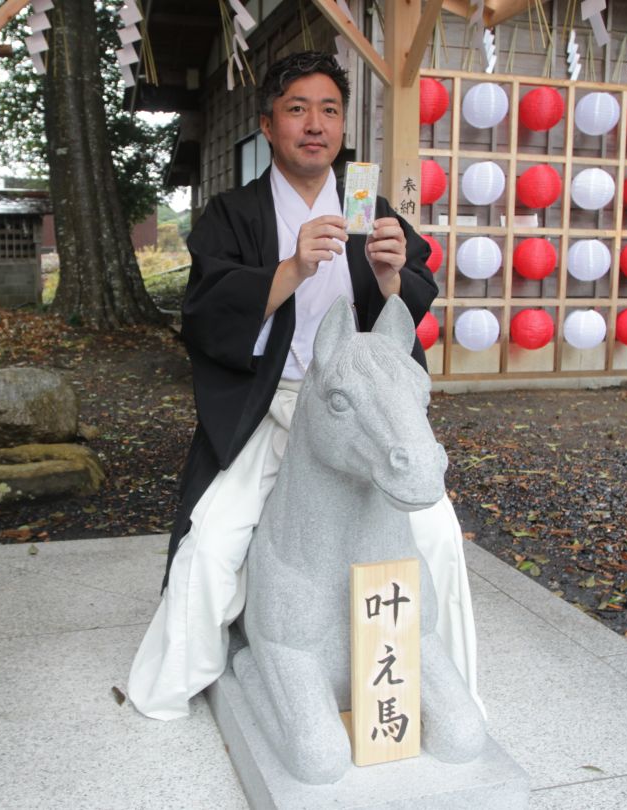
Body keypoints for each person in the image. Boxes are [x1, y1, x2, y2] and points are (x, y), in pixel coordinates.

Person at [128, 51, 482, 721]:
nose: (314, 125)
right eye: (297, 109)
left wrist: (388, 277)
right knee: (214, 542)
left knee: (434, 532)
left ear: (343, 125)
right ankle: (180, 681)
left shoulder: (367, 206)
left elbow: (405, 312)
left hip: (358, 412)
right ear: (267, 124)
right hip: (275, 402)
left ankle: (448, 684)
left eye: (328, 110)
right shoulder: (234, 214)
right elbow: (204, 312)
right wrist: (290, 268)